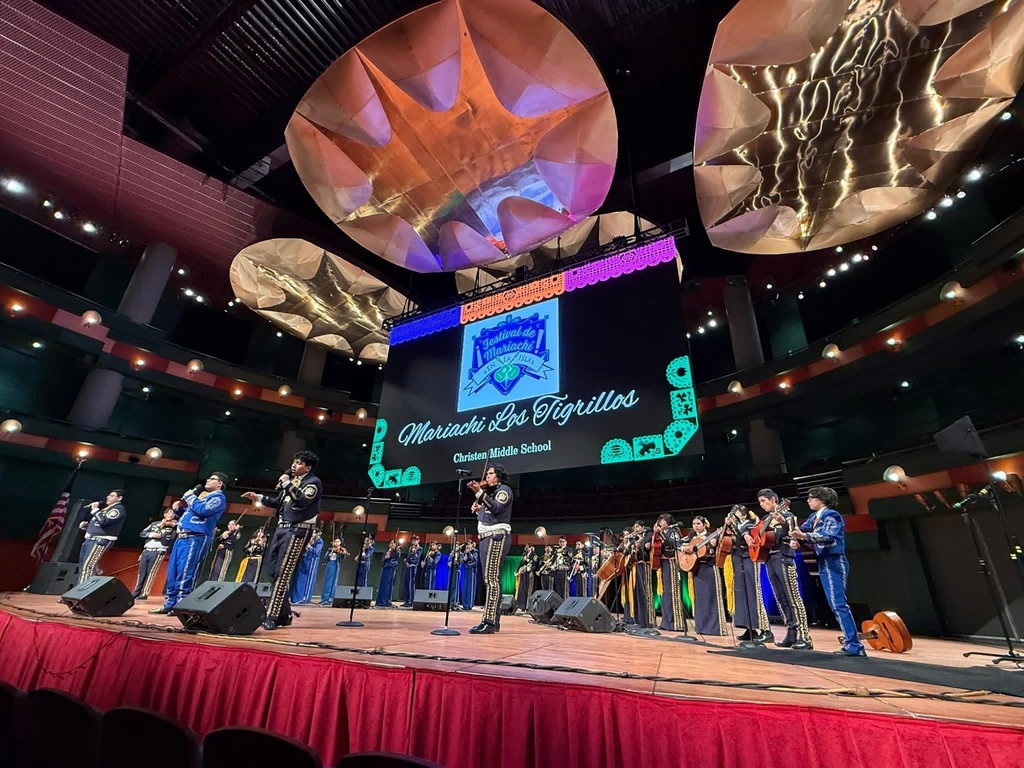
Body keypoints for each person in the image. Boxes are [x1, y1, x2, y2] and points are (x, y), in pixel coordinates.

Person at [241, 450, 322, 630]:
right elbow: (278, 502)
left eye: (299, 463)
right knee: (272, 571)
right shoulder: (292, 482)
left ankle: (273, 615)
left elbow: (301, 501)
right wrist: (259, 498)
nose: (294, 465)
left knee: (282, 573)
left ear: (307, 467)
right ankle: (285, 615)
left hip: (297, 530)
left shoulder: (313, 483)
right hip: (281, 528)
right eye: (294, 462)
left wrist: (286, 484)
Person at [790, 486, 866, 656]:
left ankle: (854, 645)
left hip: (834, 561)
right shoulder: (813, 517)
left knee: (839, 603)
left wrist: (803, 537)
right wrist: (799, 541)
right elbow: (805, 532)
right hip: (824, 562)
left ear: (821, 500)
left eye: (811, 498)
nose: (809, 500)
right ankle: (852, 643)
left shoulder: (832, 515)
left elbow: (828, 536)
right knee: (835, 604)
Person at [151, 473, 229, 615]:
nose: (207, 480)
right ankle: (170, 602)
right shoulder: (203, 497)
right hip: (181, 537)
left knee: (186, 570)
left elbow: (202, 511)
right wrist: (179, 509)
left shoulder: (219, 498)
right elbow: (191, 513)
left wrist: (190, 496)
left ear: (220, 484)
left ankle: (182, 604)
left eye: (212, 479)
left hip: (195, 537)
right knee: (173, 570)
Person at [757, 488, 812, 649]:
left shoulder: (788, 516)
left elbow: (795, 535)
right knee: (780, 598)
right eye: (760, 502)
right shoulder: (765, 519)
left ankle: (805, 636)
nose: (761, 505)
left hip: (784, 557)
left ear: (773, 500)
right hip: (769, 559)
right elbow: (759, 537)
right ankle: (791, 633)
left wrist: (782, 523)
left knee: (793, 597)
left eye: (763, 501)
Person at [467, 463, 513, 634]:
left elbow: (496, 508)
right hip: (486, 537)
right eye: (487, 473)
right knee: (491, 579)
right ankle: (494, 621)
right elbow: (488, 514)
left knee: (492, 579)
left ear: (499, 476)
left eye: (491, 473)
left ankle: (489, 621)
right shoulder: (491, 494)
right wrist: (479, 509)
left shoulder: (504, 490)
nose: (487, 476)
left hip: (496, 537)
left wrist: (479, 492)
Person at [726, 504, 772, 643]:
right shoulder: (734, 527)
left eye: (737, 512)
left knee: (754, 593)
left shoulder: (751, 524)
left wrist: (741, 531)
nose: (734, 515)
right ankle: (749, 627)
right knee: (742, 594)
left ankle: (765, 628)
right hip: (737, 559)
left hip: (750, 559)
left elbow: (749, 534)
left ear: (744, 515)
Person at [681, 516, 728, 636]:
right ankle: (701, 627)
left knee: (712, 598)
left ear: (704, 524)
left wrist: (714, 544)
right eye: (694, 523)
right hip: (697, 569)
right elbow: (681, 545)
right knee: (700, 599)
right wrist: (684, 548)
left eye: (698, 523)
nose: (695, 526)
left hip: (709, 568)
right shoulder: (691, 536)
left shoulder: (713, 535)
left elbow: (719, 547)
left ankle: (714, 628)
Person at [78, 489, 127, 581]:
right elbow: (99, 524)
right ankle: (87, 586)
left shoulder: (118, 509)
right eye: (108, 495)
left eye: (112, 496)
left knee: (88, 566)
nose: (108, 497)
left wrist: (95, 510)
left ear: (119, 498)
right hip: (90, 539)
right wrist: (87, 526)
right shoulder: (106, 509)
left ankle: (82, 592)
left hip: (100, 540)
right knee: (83, 566)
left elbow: (104, 522)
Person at [131, 505, 178, 600]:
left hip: (158, 550)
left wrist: (165, 531)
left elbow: (169, 540)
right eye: (169, 513)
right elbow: (142, 533)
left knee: (151, 572)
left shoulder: (173, 528)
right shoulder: (154, 524)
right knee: (141, 572)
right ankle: (136, 591)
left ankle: (145, 593)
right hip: (147, 549)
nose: (170, 515)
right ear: (164, 514)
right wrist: (151, 534)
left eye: (172, 513)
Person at [654, 514, 687, 632]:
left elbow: (676, 545)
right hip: (662, 564)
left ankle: (675, 623)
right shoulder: (660, 533)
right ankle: (666, 621)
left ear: (668, 522)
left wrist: (660, 534)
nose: (661, 523)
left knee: (672, 592)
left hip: (671, 563)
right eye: (660, 520)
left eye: (663, 521)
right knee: (664, 593)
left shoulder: (673, 532)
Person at [291, 528, 324, 605]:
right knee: (299, 579)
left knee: (308, 580)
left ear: (317, 534)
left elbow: (316, 552)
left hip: (312, 561)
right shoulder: (308, 539)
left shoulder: (320, 542)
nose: (312, 535)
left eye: (314, 533)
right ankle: (296, 598)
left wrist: (310, 547)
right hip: (304, 559)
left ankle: (305, 598)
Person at [319, 538, 348, 606]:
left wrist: (343, 553)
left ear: (340, 542)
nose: (337, 543)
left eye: (338, 541)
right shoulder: (330, 549)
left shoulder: (341, 549)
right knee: (327, 582)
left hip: (336, 565)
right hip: (329, 565)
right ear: (333, 542)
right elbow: (325, 558)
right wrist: (331, 552)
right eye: (335, 541)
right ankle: (324, 599)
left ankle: (331, 599)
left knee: (334, 582)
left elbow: (343, 558)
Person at [375, 539, 400, 607]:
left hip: (391, 570)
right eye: (391, 543)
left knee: (388, 586)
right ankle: (380, 601)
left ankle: (387, 601)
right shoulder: (386, 552)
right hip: (385, 570)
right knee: (383, 585)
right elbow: (382, 560)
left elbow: (396, 558)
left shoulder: (396, 552)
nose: (392, 544)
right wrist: (386, 556)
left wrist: (395, 550)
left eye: (394, 543)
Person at [514, 542, 538, 611]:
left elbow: (535, 565)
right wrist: (517, 570)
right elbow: (521, 563)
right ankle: (521, 605)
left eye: (528, 547)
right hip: (523, 573)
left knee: (529, 589)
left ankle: (528, 606)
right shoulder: (524, 555)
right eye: (526, 547)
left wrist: (530, 568)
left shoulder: (534, 555)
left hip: (529, 573)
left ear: (531, 548)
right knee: (522, 589)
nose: (527, 548)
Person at [459, 539, 479, 610]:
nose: (467, 546)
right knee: (465, 587)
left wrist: (469, 554)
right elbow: (462, 561)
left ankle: (469, 604)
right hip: (466, 570)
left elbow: (475, 561)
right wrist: (463, 559)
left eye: (469, 545)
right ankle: (464, 604)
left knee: (470, 588)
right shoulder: (465, 552)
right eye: (466, 545)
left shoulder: (475, 551)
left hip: (472, 571)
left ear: (471, 545)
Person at [402, 536, 421, 607]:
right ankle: (406, 600)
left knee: (411, 585)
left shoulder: (419, 549)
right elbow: (409, 557)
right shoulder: (410, 548)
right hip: (408, 568)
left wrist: (414, 552)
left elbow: (417, 559)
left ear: (418, 541)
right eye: (413, 540)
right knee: (406, 584)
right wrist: (406, 560)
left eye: (415, 540)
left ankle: (411, 601)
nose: (414, 542)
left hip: (413, 568)